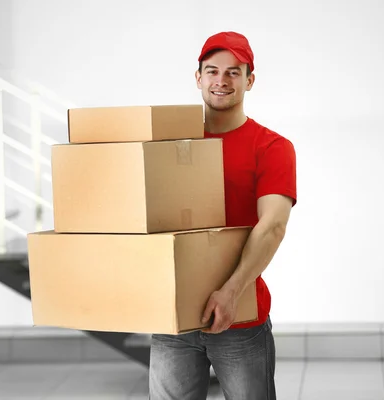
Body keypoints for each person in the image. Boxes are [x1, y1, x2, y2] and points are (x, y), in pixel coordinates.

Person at [148, 31, 297, 400]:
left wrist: (230, 292)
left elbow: (273, 225)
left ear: (250, 80)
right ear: (197, 77)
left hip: (241, 316)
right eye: (212, 70)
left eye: (234, 72)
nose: (221, 80)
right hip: (174, 321)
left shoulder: (272, 147)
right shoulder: (171, 147)